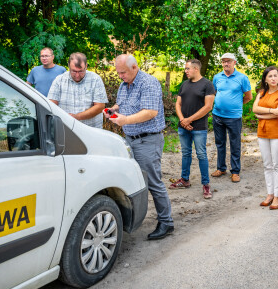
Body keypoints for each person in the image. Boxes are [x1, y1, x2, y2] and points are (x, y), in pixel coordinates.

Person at [105, 54, 174, 240]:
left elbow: (151, 111)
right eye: (118, 72)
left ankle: (166, 222)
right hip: (130, 138)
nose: (120, 76)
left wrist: (125, 120)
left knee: (152, 181)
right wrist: (114, 109)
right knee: (133, 179)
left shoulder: (148, 83)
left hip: (147, 140)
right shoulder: (124, 83)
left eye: (123, 73)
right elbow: (123, 103)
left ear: (135, 67)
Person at [169, 59, 215, 199]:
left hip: (199, 127)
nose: (186, 71)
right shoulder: (184, 84)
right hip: (183, 127)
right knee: (185, 153)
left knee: (201, 154)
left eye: (188, 68)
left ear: (196, 69)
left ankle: (206, 185)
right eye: (185, 69)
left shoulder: (207, 85)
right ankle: (185, 179)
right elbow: (178, 104)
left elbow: (208, 107)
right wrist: (183, 120)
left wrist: (190, 120)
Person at [252, 66, 278, 210]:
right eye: (270, 76)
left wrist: (262, 116)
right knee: (267, 164)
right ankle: (269, 194)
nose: (274, 78)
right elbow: (254, 109)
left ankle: (277, 196)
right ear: (265, 79)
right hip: (263, 132)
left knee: (277, 165)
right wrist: (270, 111)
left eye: (276, 76)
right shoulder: (261, 93)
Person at [211, 53, 253, 182]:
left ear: (234, 62)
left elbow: (248, 97)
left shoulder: (242, 78)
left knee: (235, 144)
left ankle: (235, 171)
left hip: (234, 117)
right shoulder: (217, 77)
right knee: (220, 143)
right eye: (223, 61)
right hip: (217, 115)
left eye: (228, 61)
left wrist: (236, 105)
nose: (225, 64)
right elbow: (214, 93)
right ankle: (221, 168)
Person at [48, 52, 107, 128]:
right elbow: (51, 105)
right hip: (66, 129)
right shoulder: (59, 80)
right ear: (69, 66)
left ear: (86, 66)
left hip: (91, 130)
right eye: (74, 71)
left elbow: (100, 106)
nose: (77, 75)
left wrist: (77, 117)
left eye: (81, 71)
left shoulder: (95, 79)